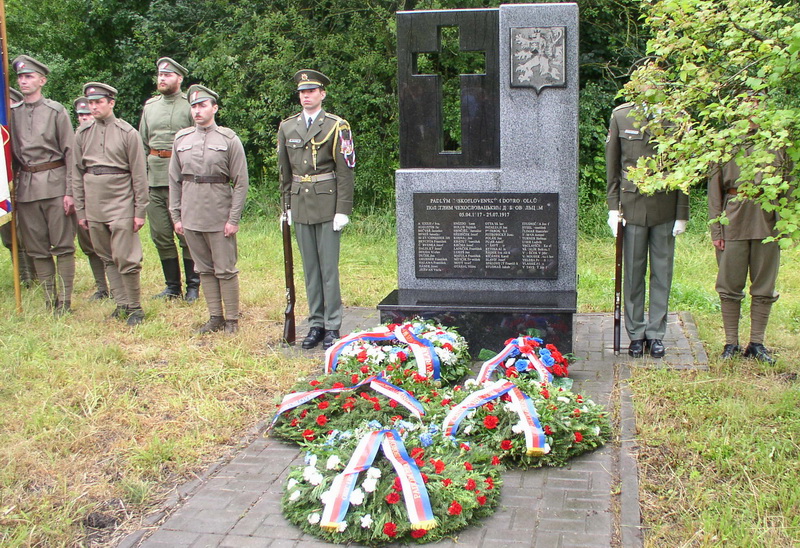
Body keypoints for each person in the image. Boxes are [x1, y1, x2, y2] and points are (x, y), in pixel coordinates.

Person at [277, 69, 355, 350]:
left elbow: (345, 171)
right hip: (300, 203)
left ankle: (333, 325)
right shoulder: (288, 127)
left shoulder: (337, 126)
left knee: (328, 269)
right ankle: (316, 324)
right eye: (301, 92)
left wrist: (343, 209)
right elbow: (285, 172)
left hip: (327, 202)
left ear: (322, 94)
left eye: (311, 91)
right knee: (310, 269)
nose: (305, 96)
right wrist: (285, 206)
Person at [606, 101, 688, 358]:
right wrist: (612, 208)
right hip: (632, 207)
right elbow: (613, 166)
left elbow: (684, 169)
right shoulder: (622, 116)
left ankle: (655, 334)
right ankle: (636, 333)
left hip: (665, 206)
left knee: (662, 273)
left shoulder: (677, 117)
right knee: (633, 273)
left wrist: (682, 213)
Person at [169, 85, 248, 334]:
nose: (197, 110)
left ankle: (232, 320)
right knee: (203, 269)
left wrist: (233, 218)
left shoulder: (228, 139)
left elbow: (241, 181)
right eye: (193, 106)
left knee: (225, 269)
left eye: (203, 105)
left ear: (214, 108)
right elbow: (174, 179)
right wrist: (176, 215)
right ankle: (215, 317)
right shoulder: (181, 139)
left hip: (218, 213)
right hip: (191, 214)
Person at [73, 82, 148, 325]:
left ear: (111, 103)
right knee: (106, 256)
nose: (93, 107)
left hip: (121, 201)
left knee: (126, 257)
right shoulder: (82, 134)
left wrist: (139, 211)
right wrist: (81, 210)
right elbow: (76, 174)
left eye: (98, 102)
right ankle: (121, 304)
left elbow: (139, 175)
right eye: (90, 103)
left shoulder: (128, 133)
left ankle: (135, 307)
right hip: (94, 202)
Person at [9, 55, 77, 314]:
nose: (24, 81)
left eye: (29, 77)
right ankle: (50, 300)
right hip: (26, 187)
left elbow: (70, 153)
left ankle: (66, 300)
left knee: (62, 246)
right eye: (20, 77)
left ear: (42, 80)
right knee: (37, 248)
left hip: (55, 185)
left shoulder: (55, 111)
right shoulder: (12, 115)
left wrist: (70, 192)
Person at [708, 148, 786, 364]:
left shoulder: (776, 142)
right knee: (729, 284)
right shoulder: (725, 144)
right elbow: (714, 192)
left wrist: (786, 226)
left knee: (764, 285)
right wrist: (717, 229)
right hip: (732, 220)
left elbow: (789, 187)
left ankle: (756, 344)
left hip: (768, 219)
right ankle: (731, 342)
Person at [139, 57, 199, 302]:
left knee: (187, 234)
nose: (162, 79)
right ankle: (172, 286)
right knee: (161, 234)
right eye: (160, 75)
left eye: (168, 75)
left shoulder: (190, 106)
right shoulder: (150, 107)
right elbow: (143, 144)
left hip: (183, 181)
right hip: (154, 179)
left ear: (179, 78)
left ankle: (193, 286)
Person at [72, 96, 109, 300]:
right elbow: (74, 171)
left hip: (106, 198)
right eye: (81, 114)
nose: (85, 117)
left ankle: (119, 288)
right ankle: (102, 287)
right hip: (83, 198)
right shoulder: (77, 137)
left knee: (110, 245)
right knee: (89, 245)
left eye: (87, 113)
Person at [2, 88, 38, 287]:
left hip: (25, 181)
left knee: (28, 232)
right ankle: (23, 275)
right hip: (4, 185)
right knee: (8, 234)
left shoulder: (26, 126)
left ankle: (35, 273)